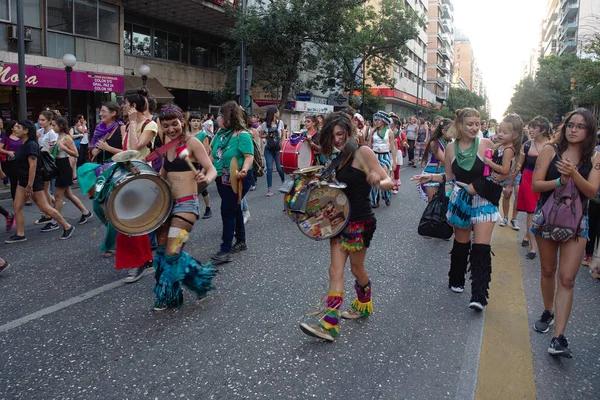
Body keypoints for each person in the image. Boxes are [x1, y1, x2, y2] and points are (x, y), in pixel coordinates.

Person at [299, 112, 393, 342]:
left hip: (360, 221)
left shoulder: (363, 152)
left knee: (357, 270)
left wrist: (377, 180)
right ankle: (330, 324)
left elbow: (389, 182)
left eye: (340, 134)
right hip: (339, 221)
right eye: (333, 136)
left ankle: (363, 302)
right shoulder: (337, 158)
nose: (338, 139)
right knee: (335, 270)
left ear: (349, 132)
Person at [411, 108, 500, 311]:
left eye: (477, 124)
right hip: (461, 199)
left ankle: (479, 294)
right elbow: (450, 178)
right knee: (461, 242)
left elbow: (497, 173)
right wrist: (431, 177)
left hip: (483, 198)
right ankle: (456, 279)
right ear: (459, 125)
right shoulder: (450, 148)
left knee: (481, 246)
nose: (474, 128)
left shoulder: (486, 144)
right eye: (470, 124)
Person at [531, 108, 600, 358]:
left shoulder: (595, 157)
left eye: (580, 126)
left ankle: (558, 337)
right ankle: (548, 310)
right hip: (547, 219)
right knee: (548, 270)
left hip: (577, 224)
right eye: (571, 124)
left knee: (567, 279)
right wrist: (559, 182)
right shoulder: (550, 150)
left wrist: (572, 175)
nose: (573, 129)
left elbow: (592, 192)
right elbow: (535, 185)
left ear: (589, 130)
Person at [152, 104, 217, 311]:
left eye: (175, 124)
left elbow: (212, 169)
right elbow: (163, 173)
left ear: (183, 122)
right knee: (163, 251)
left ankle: (199, 278)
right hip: (167, 204)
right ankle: (169, 295)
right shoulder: (165, 144)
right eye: (166, 125)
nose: (171, 129)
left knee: (173, 252)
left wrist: (204, 179)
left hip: (187, 204)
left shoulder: (193, 143)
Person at [5, 120, 74, 244]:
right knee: (17, 206)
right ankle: (20, 234)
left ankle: (67, 226)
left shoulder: (31, 145)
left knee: (45, 207)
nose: (14, 129)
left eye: (18, 127)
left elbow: (33, 166)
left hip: (33, 182)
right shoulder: (24, 143)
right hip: (23, 181)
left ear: (25, 130)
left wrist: (30, 186)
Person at [117, 87, 156, 283]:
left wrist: (132, 123)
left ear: (133, 106)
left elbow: (134, 147)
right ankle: (144, 258)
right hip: (127, 175)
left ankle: (139, 261)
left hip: (141, 175)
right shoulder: (128, 124)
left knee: (133, 221)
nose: (121, 107)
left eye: (124, 103)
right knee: (129, 220)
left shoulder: (150, 125)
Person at [210, 101, 255, 265]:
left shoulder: (243, 135)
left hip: (238, 179)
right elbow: (212, 155)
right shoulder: (220, 134)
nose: (218, 118)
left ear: (229, 117)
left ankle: (225, 250)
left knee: (227, 210)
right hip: (221, 178)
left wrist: (243, 170)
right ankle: (241, 241)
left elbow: (249, 157)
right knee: (234, 208)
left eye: (221, 115)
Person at [89, 101, 125, 258]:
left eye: (104, 111)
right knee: (97, 205)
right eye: (100, 111)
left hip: (118, 170)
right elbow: (92, 150)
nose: (101, 114)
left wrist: (108, 148)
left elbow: (127, 151)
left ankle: (111, 244)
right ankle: (120, 233)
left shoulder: (122, 127)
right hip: (102, 171)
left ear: (113, 113)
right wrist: (95, 150)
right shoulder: (99, 129)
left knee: (113, 208)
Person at [514, 116, 551, 260]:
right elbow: (518, 166)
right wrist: (510, 183)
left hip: (546, 181)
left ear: (543, 130)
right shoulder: (527, 145)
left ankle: (527, 235)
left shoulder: (552, 146)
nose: (530, 130)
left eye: (534, 127)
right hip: (528, 180)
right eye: (530, 127)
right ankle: (533, 247)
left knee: (543, 212)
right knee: (531, 212)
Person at [50, 116, 93, 230]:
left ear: (61, 126)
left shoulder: (67, 138)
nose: (53, 127)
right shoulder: (58, 137)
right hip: (59, 166)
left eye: (54, 125)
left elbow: (76, 154)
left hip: (64, 166)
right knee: (68, 194)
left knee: (58, 196)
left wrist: (63, 148)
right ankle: (85, 212)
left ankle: (54, 221)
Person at [367, 111, 396, 207]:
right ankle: (375, 200)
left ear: (384, 121)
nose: (377, 121)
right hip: (374, 156)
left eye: (379, 120)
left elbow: (393, 147)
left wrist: (394, 161)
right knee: (374, 178)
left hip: (385, 157)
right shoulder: (373, 131)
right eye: (376, 120)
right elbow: (369, 145)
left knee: (383, 178)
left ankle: (386, 195)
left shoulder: (389, 132)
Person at [34, 110, 58, 227]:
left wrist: (46, 151)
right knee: (45, 189)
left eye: (43, 120)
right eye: (39, 120)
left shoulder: (52, 133)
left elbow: (53, 149)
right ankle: (51, 209)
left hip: (47, 163)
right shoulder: (39, 131)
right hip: (40, 162)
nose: (40, 122)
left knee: (46, 189)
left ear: (49, 121)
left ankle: (49, 214)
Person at [419, 118, 453, 203]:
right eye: (451, 131)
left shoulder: (452, 143)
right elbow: (444, 159)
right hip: (432, 173)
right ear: (443, 131)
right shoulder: (434, 143)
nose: (453, 134)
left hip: (447, 175)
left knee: (447, 200)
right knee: (432, 203)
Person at [191, 112, 213, 219]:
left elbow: (207, 152)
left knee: (201, 188)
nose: (195, 123)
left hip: (198, 164)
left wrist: (203, 170)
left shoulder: (203, 135)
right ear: (189, 122)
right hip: (187, 165)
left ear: (201, 122)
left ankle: (208, 207)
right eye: (193, 120)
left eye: (197, 121)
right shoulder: (186, 135)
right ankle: (193, 210)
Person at [260, 106, 285, 197]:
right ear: (274, 113)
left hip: (278, 149)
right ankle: (269, 188)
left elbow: (283, 135)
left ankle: (283, 181)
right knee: (269, 168)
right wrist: (267, 135)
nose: (278, 113)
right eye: (277, 111)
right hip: (268, 149)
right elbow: (261, 135)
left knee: (279, 168)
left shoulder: (280, 123)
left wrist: (282, 144)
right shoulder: (265, 124)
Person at [0, 120, 21, 202]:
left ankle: (25, 198)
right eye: (16, 126)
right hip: (11, 161)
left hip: (21, 160)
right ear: (12, 128)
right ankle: (15, 199)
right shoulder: (6, 136)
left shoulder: (21, 135)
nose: (18, 127)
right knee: (14, 180)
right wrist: (8, 152)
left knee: (23, 180)